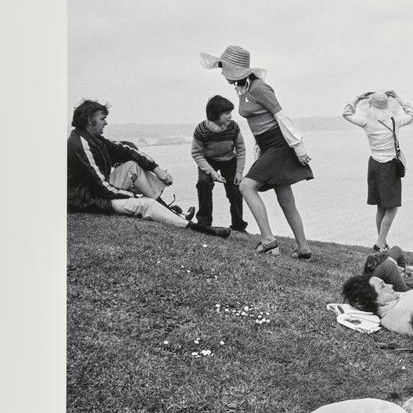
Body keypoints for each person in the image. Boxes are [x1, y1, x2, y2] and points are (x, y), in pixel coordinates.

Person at [201, 45, 313, 258]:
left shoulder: (259, 88)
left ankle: (269, 240)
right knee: (285, 198)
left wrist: (299, 147)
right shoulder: (243, 89)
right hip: (267, 146)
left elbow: (281, 116)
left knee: (246, 186)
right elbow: (257, 125)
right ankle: (304, 249)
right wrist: (259, 152)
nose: (222, 72)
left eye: (224, 67)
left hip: (279, 145)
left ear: (234, 69)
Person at [67, 99, 230, 237]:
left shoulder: (93, 138)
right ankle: (199, 228)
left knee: (132, 166)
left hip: (97, 191)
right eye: (102, 118)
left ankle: (174, 214)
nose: (106, 122)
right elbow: (102, 188)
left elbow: (127, 151)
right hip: (89, 200)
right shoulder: (80, 145)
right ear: (90, 120)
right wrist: (133, 196)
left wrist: (157, 169)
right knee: (147, 205)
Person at [342, 90, 413, 252]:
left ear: (370, 106)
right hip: (389, 167)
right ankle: (380, 243)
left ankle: (381, 242)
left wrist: (356, 98)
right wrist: (399, 98)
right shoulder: (394, 121)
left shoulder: (366, 122)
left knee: (381, 207)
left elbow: (346, 113)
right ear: (389, 105)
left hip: (374, 165)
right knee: (392, 207)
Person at [191, 95, 248, 232]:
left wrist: (239, 172)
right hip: (208, 160)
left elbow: (240, 149)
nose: (230, 116)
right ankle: (204, 223)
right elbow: (197, 153)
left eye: (230, 113)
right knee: (204, 183)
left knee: (235, 191)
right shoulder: (201, 130)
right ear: (216, 114)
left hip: (229, 160)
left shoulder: (233, 127)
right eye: (227, 113)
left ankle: (238, 225)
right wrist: (212, 172)